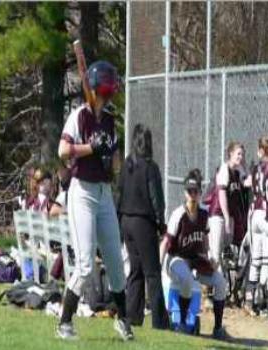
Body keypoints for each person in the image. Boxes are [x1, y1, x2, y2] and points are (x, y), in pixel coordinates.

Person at [56, 60, 133, 341]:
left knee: (115, 260)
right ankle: (64, 322)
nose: (111, 88)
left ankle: (123, 321)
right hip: (82, 192)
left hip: (103, 192)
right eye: (108, 83)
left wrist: (110, 150)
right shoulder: (79, 116)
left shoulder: (109, 120)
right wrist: (91, 147)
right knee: (86, 264)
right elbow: (63, 151)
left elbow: (113, 167)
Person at [160, 169, 227, 339]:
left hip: (195, 260)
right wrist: (158, 268)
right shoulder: (178, 214)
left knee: (220, 282)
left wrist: (210, 257)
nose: (192, 194)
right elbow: (166, 242)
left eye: (195, 191)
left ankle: (218, 328)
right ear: (185, 192)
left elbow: (204, 239)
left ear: (199, 193)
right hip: (176, 259)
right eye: (189, 191)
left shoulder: (204, 212)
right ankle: (183, 323)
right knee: (188, 281)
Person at [117, 123, 168, 329]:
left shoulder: (127, 164)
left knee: (135, 271)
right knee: (153, 273)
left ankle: (133, 316)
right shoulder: (150, 166)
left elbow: (119, 192)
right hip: (143, 222)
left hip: (126, 220)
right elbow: (156, 198)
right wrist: (160, 222)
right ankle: (159, 321)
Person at [208, 141, 249, 271]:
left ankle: (222, 284)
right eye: (238, 154)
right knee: (216, 251)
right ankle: (210, 284)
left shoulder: (238, 171)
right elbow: (222, 195)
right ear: (230, 154)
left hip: (228, 216)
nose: (241, 157)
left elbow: (247, 182)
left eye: (242, 154)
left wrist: (254, 172)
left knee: (227, 253)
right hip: (218, 215)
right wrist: (226, 217)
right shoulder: (224, 169)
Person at [248, 136, 268, 317]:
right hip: (265, 214)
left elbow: (247, 182)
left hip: (254, 213)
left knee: (257, 258)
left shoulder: (256, 167)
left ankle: (252, 299)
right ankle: (266, 304)